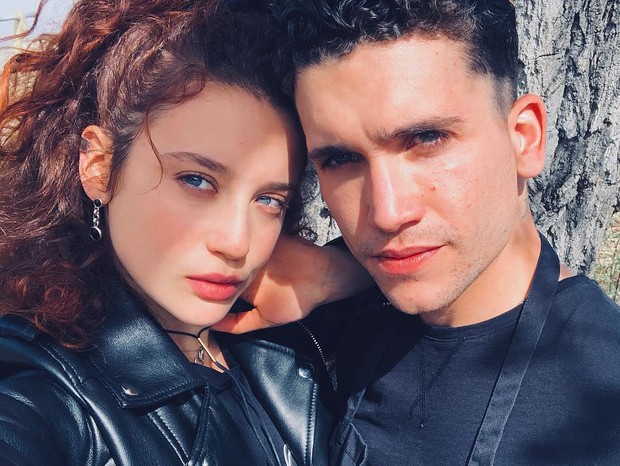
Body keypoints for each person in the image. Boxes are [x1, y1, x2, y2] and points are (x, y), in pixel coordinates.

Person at [218, 0, 620, 464]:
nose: (388, 214)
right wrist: (334, 273)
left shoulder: (602, 405)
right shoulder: (312, 322)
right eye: (341, 159)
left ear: (524, 139)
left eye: (427, 139)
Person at [0, 0, 368, 464]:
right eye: (196, 180)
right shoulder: (41, 389)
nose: (237, 243)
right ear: (98, 166)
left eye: (269, 200)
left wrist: (337, 272)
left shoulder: (283, 335)